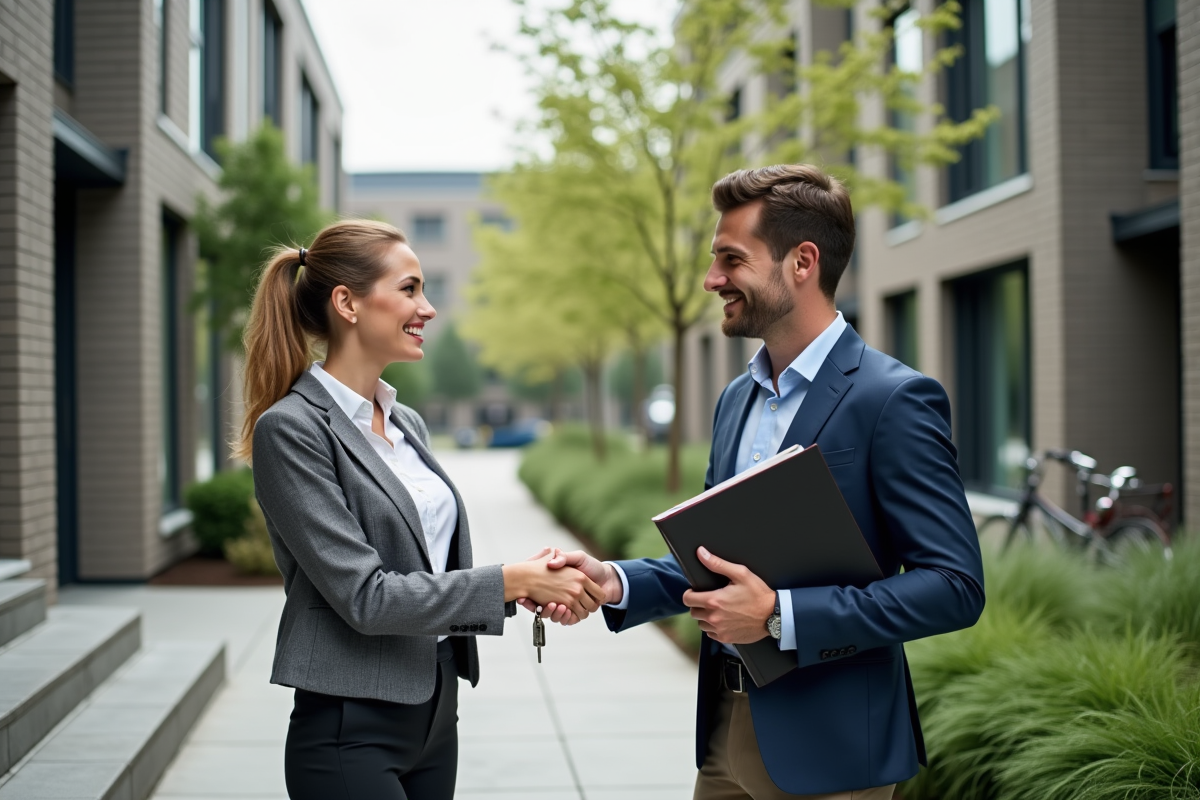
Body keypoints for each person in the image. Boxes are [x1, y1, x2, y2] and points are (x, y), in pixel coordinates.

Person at [534, 165, 985, 799]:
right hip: (723, 740)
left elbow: (955, 587)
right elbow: (719, 563)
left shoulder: (894, 400)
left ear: (802, 262)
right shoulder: (735, 401)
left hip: (832, 755)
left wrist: (780, 617)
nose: (712, 279)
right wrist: (615, 580)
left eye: (731, 259)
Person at [241, 219, 606, 800]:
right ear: (347, 303)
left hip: (435, 709)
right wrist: (508, 581)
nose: (428, 308)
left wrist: (526, 586)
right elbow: (366, 596)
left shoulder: (405, 422)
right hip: (350, 727)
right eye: (410, 289)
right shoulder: (291, 430)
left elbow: (428, 573)